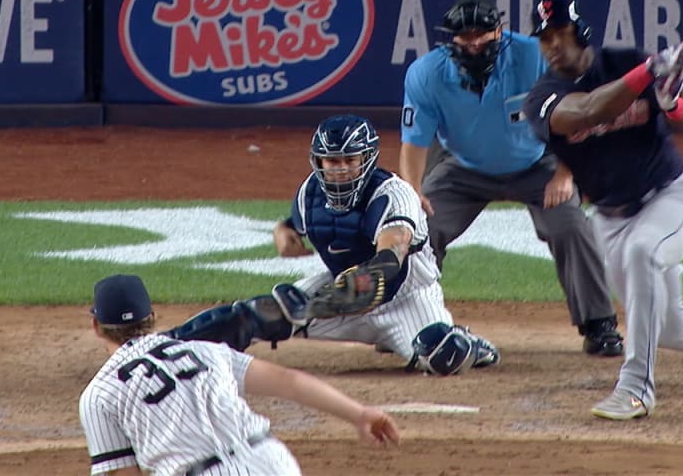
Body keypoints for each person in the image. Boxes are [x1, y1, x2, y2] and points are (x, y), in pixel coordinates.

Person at [522, 0, 683, 420]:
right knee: (668, 326)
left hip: (674, 197)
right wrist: (648, 73)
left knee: (645, 252)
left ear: (580, 32)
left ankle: (636, 388)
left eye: (560, 34)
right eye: (544, 38)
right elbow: (584, 112)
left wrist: (670, 96)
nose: (552, 46)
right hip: (610, 219)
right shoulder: (542, 98)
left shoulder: (624, 59)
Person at [167, 114, 500, 377]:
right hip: (341, 291)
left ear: (366, 159)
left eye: (349, 160)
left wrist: (360, 286)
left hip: (406, 299)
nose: (340, 169)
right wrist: (281, 232)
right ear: (319, 162)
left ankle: (469, 342)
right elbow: (294, 222)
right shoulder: (310, 191)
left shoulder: (394, 194)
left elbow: (393, 252)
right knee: (264, 314)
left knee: (441, 353)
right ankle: (169, 345)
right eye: (332, 161)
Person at [399, 0, 623, 356]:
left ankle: (598, 324)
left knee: (569, 226)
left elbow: (580, 113)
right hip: (462, 166)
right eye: (464, 35)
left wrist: (565, 175)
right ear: (450, 38)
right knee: (420, 227)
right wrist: (413, 193)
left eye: (481, 34)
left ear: (499, 31)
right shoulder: (426, 74)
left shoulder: (533, 56)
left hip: (538, 161)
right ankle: (410, 323)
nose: (472, 43)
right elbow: (414, 143)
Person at [79, 273, 400, 476]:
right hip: (272, 462)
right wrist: (359, 413)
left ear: (96, 326)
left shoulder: (99, 394)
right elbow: (289, 381)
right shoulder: (204, 350)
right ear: (152, 317)